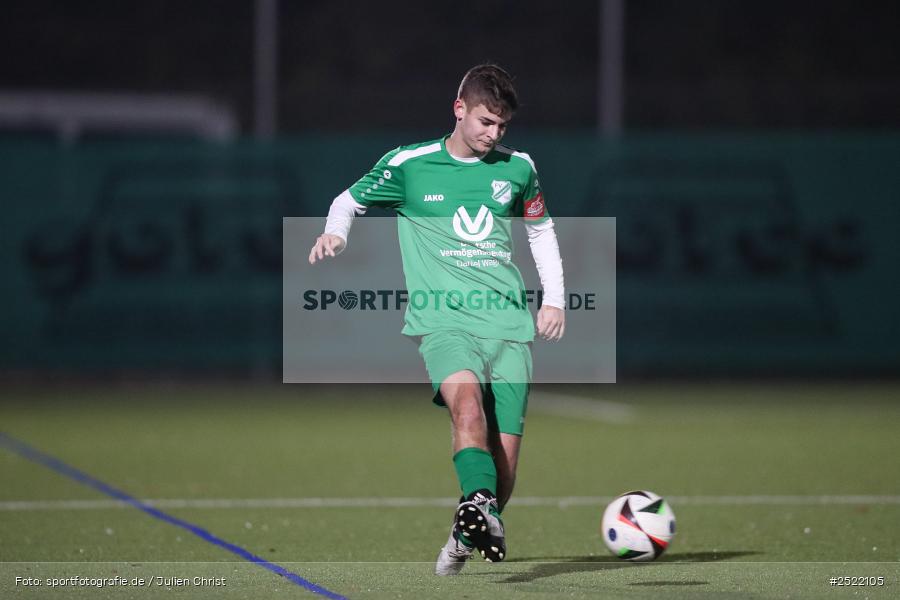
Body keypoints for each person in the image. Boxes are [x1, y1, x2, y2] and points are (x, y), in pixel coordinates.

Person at [309, 64, 565, 575]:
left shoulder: (519, 169)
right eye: (486, 121)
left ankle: (465, 528)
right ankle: (477, 507)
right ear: (459, 109)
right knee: (466, 408)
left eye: (502, 126)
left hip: (508, 326)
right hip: (443, 323)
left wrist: (554, 299)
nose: (493, 134)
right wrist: (336, 231)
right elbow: (348, 200)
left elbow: (541, 231)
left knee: (504, 467)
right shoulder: (410, 164)